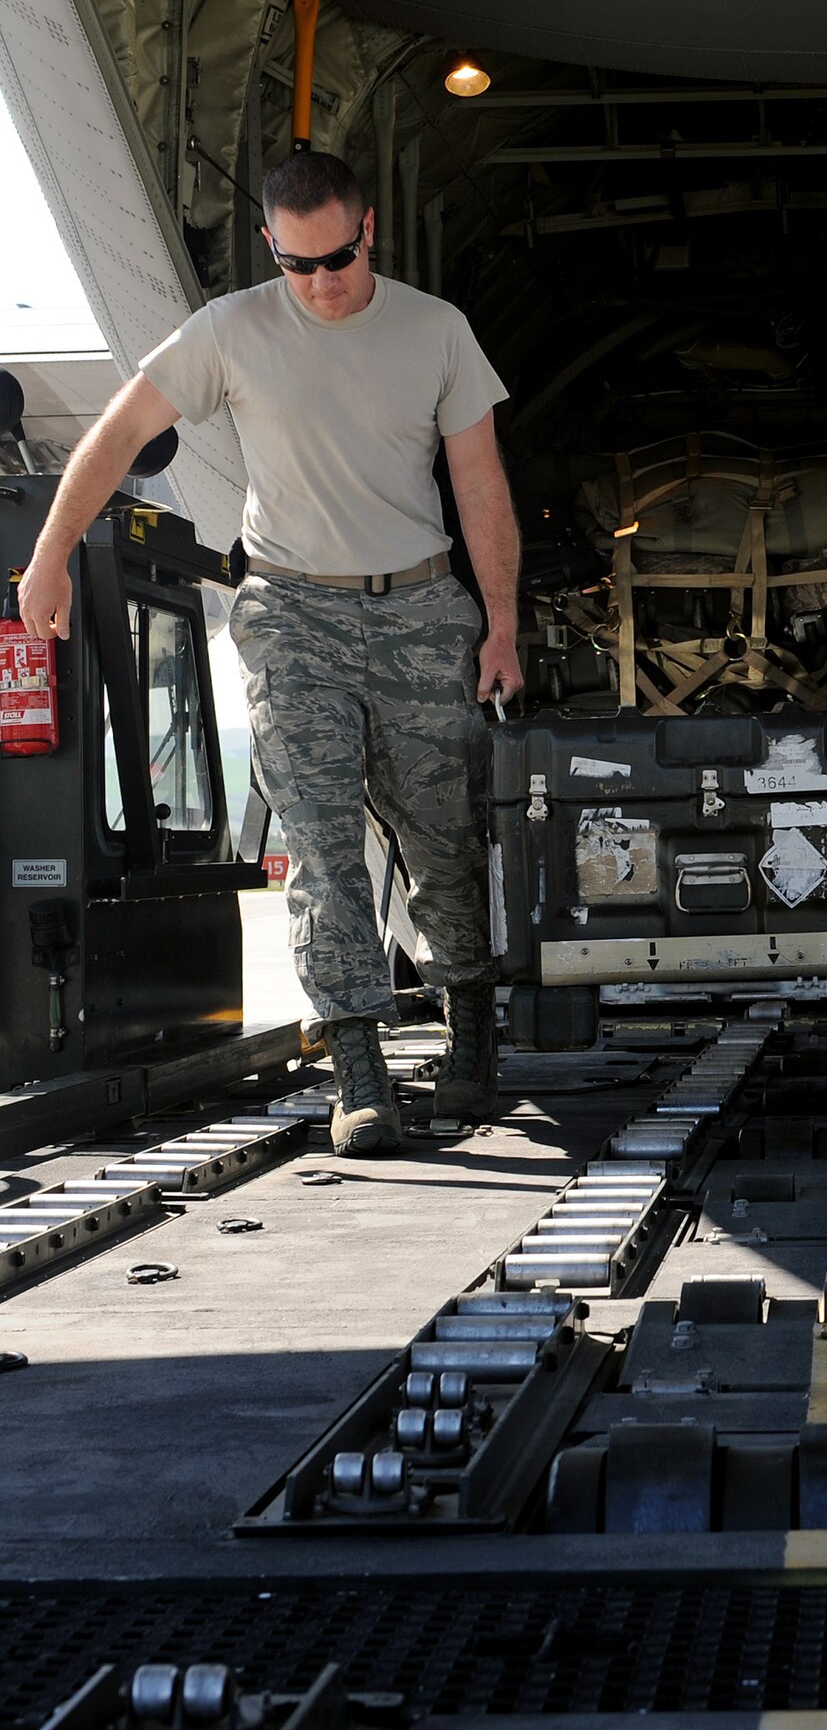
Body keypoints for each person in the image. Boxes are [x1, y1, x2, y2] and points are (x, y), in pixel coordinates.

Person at [18, 150, 524, 1156]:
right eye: (299, 264)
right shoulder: (231, 330)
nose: (321, 282)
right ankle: (361, 1070)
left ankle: (471, 1028)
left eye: (337, 257)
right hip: (293, 614)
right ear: (271, 246)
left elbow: (480, 483)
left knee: (446, 840)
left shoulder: (436, 331)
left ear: (367, 229)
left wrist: (501, 621)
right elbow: (115, 436)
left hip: (421, 609)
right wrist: (50, 557)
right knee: (322, 846)